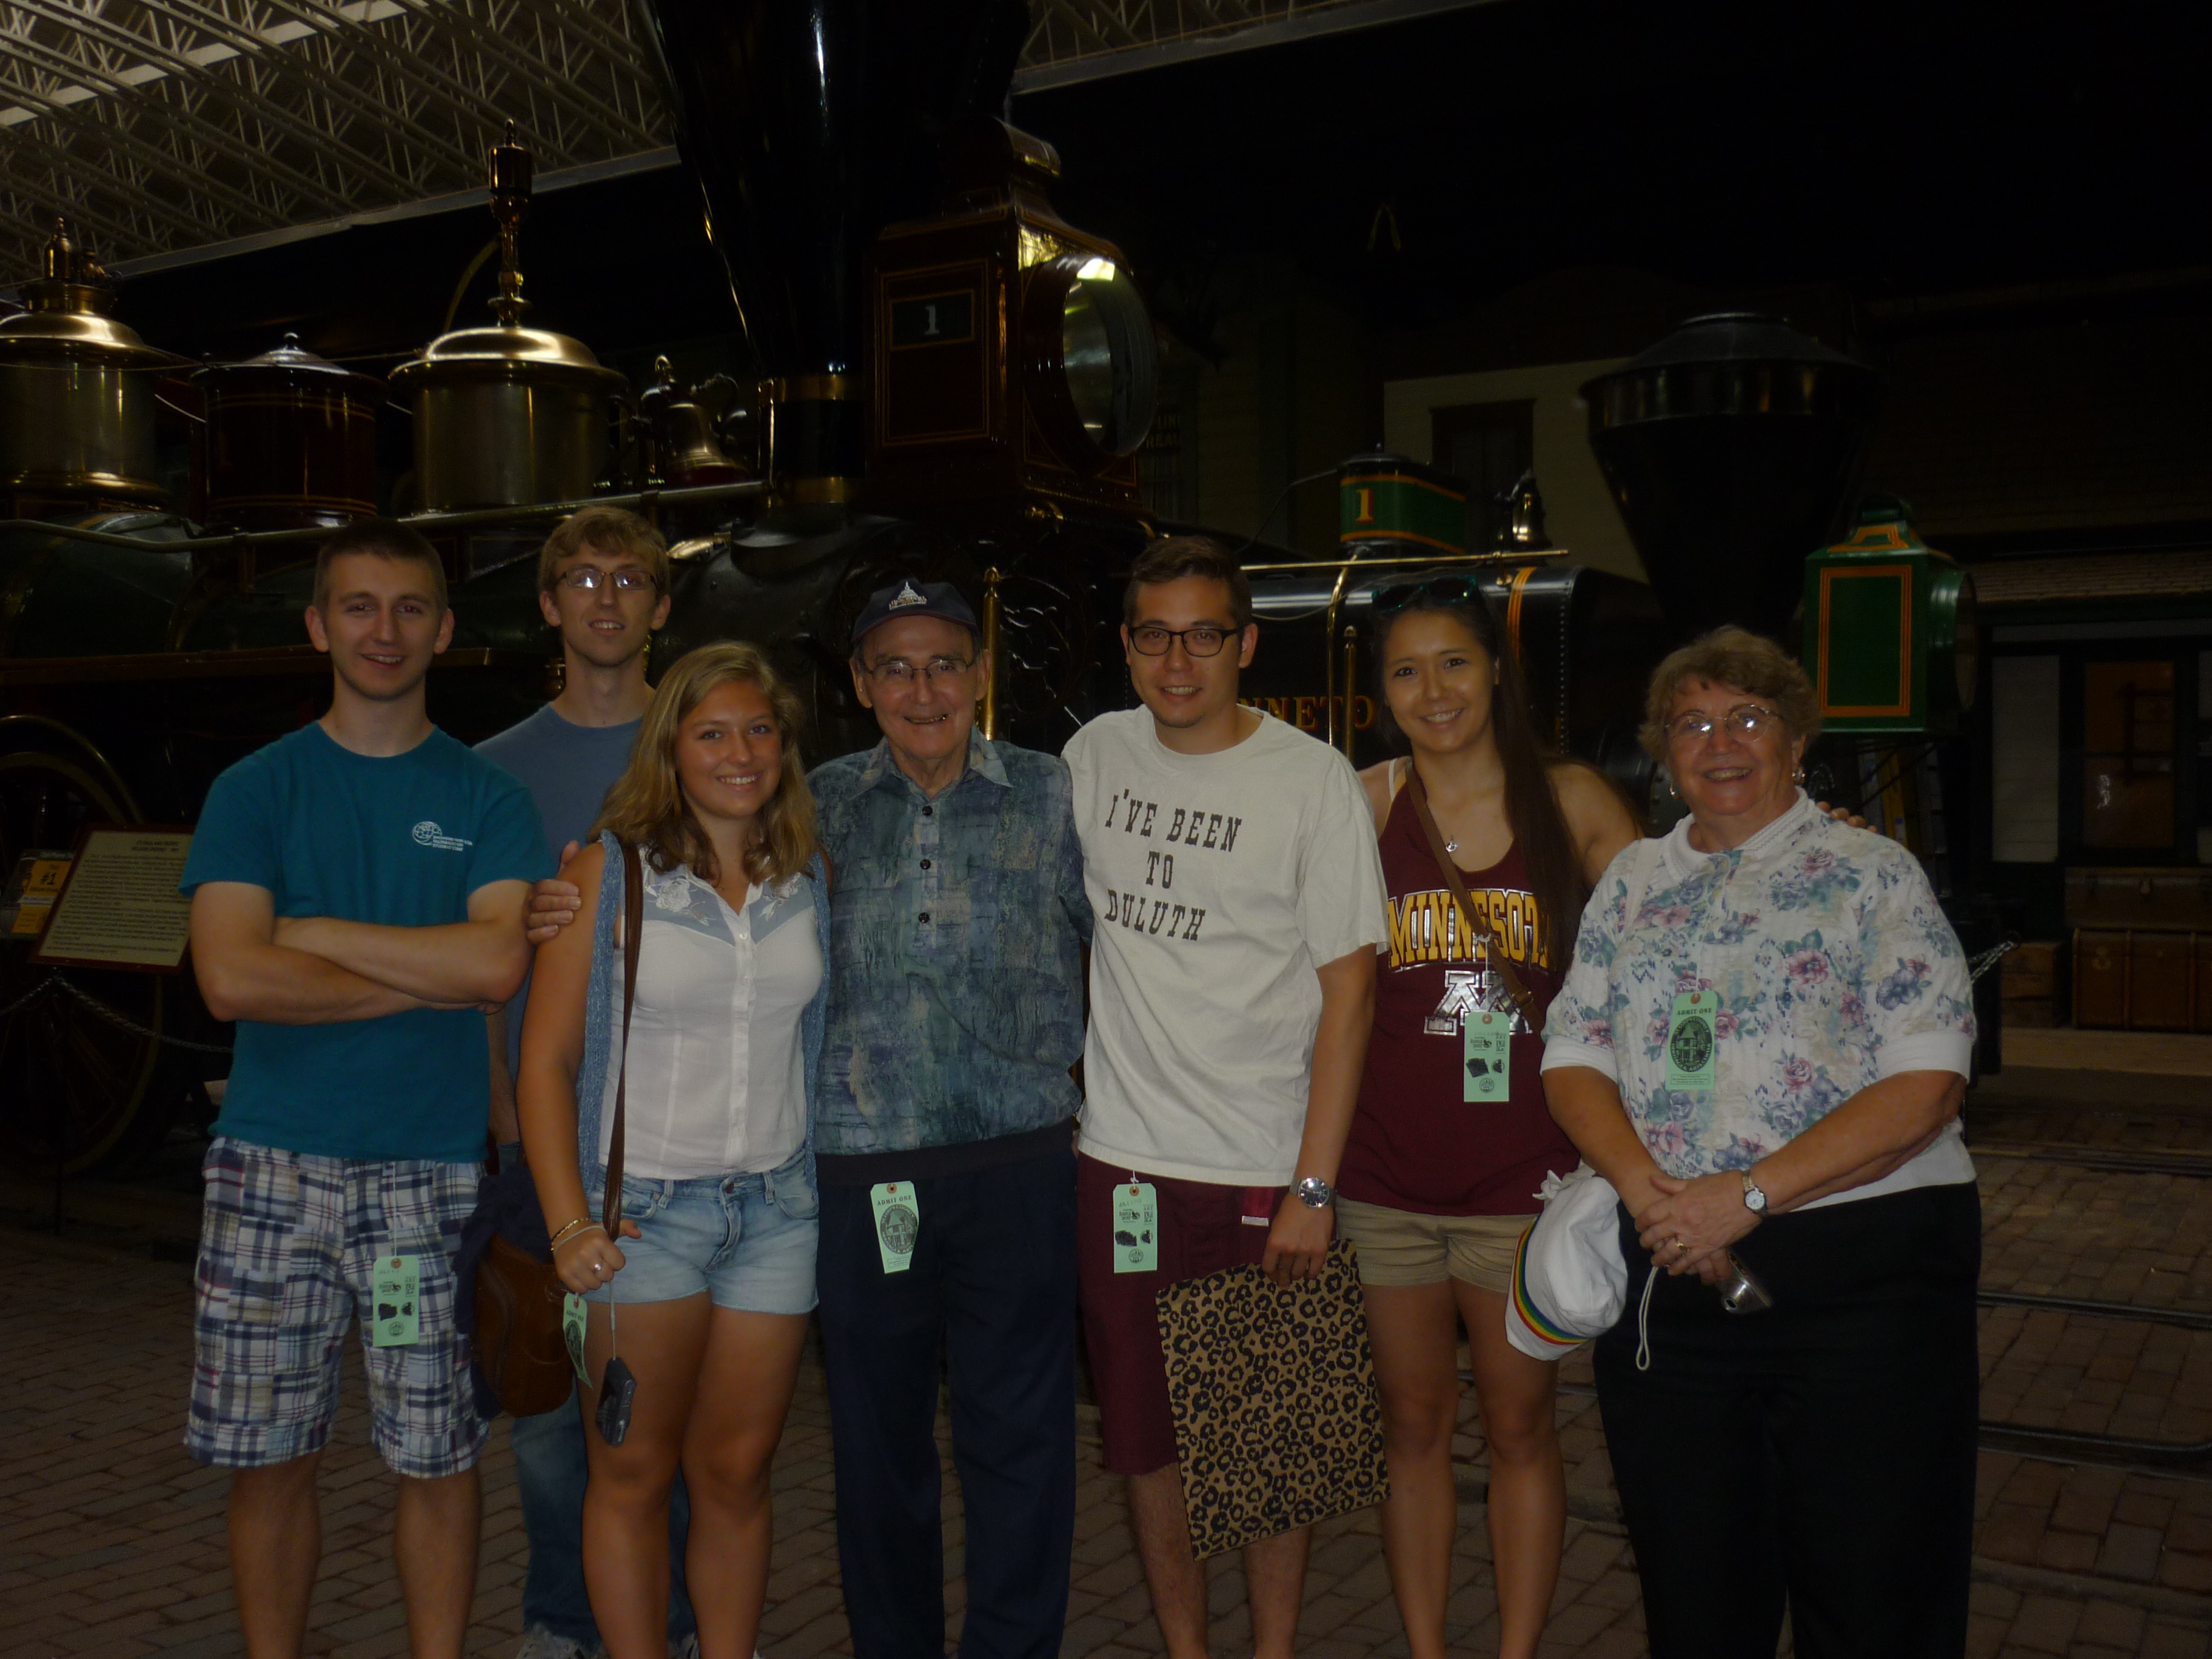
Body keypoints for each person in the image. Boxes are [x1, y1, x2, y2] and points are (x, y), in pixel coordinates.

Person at [1540, 626, 1979, 1659]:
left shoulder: (1871, 873)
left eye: (1748, 717)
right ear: (1661, 750)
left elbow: (1927, 1084)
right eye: (1692, 723)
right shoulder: (1632, 881)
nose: (1721, 742)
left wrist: (1741, 1196)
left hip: (1865, 1279)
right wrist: (1652, 1195)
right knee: (1695, 1591)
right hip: (1676, 1268)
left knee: (1876, 1590)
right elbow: (1573, 1053)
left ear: (1796, 739)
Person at [180, 520, 544, 1659]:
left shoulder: (487, 797)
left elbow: (496, 967)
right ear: (318, 626)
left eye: (408, 608)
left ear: (443, 628)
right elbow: (232, 979)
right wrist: (427, 972)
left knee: (435, 1457)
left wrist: (317, 934)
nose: (384, 631)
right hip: (269, 1171)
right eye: (358, 606)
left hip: (425, 1181)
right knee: (270, 1457)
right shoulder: (255, 789)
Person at [1065, 535, 1388, 1659]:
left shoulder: (1310, 779)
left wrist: (1314, 1186)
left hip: (1263, 1170)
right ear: (1126, 645)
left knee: (1267, 1451)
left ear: (1246, 644)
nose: (1178, 661)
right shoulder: (1093, 756)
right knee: (1148, 1446)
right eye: (1155, 636)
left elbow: (1352, 996)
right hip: (1123, 1164)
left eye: (1204, 635)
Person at [1336, 577, 1638, 1659]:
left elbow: (1677, 922)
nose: (1435, 690)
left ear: (1496, 672)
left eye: (1455, 663)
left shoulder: (1573, 801)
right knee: (1413, 1427)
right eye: (1407, 671)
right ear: (1382, 693)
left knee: (1519, 1425)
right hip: (1385, 1186)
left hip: (1525, 1184)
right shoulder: (1361, 805)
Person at [518, 642, 832, 1659]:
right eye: (713, 733)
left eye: (760, 730)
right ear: (672, 747)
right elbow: (546, 1062)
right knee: (632, 1475)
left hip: (776, 1215)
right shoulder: (608, 873)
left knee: (738, 1474)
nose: (741, 753)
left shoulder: (806, 873)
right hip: (644, 1218)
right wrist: (568, 1224)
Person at [806, 577, 1091, 1659]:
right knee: (878, 1450)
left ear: (978, 675)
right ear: (861, 684)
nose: (921, 689)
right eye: (896, 667)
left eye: (942, 666)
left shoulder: (1053, 793)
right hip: (863, 1167)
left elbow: (1140, 942)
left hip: (1020, 1162)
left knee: (1020, 1441)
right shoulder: (816, 803)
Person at [477, 507, 699, 1659]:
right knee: (551, 1417)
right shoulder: (494, 772)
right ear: (550, 604)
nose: (606, 598)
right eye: (583, 579)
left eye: (628, 579)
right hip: (552, 1138)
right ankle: (564, 1622)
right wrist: (506, 1128)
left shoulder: (714, 744)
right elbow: (486, 978)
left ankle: (680, 1624)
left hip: (689, 1142)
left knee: (680, 1417)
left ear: (661, 606)